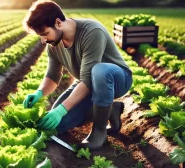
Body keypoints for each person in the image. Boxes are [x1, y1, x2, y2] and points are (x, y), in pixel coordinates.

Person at [22, 0, 133, 151]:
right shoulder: (54, 46)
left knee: (99, 71)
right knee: (58, 125)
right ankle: (110, 109)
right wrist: (39, 93)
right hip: (86, 83)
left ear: (58, 22)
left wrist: (61, 109)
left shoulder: (92, 31)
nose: (43, 40)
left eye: (45, 33)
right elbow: (53, 76)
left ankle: (99, 131)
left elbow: (89, 78)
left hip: (117, 79)